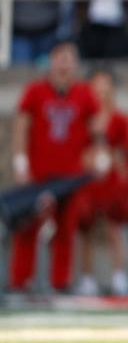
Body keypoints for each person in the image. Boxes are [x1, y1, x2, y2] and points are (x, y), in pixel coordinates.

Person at [9, 41, 107, 292]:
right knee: (27, 225)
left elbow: (98, 127)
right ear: (51, 59)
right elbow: (22, 126)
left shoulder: (84, 93)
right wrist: (21, 161)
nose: (65, 62)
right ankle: (21, 281)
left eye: (70, 57)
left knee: (66, 227)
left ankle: (60, 282)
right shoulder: (35, 91)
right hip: (40, 174)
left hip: (69, 176)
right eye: (60, 56)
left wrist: (98, 154)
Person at [74, 67, 128, 297]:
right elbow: (76, 149)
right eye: (96, 90)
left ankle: (119, 276)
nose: (101, 95)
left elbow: (127, 153)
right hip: (88, 180)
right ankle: (87, 278)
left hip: (111, 181)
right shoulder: (83, 120)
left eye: (105, 91)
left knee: (114, 228)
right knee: (85, 229)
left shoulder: (120, 119)